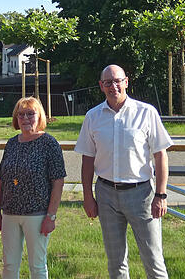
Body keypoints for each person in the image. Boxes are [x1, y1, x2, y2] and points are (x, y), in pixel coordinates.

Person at [74, 65, 174, 279]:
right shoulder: (93, 117)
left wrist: (161, 195)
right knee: (116, 262)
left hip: (141, 196)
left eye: (117, 81)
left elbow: (161, 155)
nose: (114, 86)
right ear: (101, 86)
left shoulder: (146, 113)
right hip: (106, 195)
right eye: (108, 82)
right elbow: (87, 160)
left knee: (153, 260)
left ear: (126, 82)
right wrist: (87, 196)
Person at [0, 97, 66, 279]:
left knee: (37, 266)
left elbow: (58, 182)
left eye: (30, 114)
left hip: (37, 215)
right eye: (21, 114)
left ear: (39, 116)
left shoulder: (49, 144)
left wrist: (51, 216)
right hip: (10, 214)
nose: (25, 118)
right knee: (9, 265)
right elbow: (3, 179)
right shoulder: (11, 144)